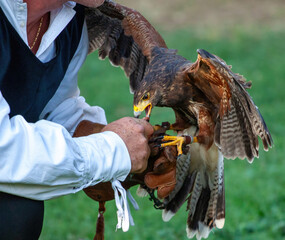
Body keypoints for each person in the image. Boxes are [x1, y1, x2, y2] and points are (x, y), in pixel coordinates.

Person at [0, 0, 153, 239]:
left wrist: (113, 138)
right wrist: (109, 151)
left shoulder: (68, 17)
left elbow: (53, 105)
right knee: (11, 214)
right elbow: (3, 150)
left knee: (18, 211)